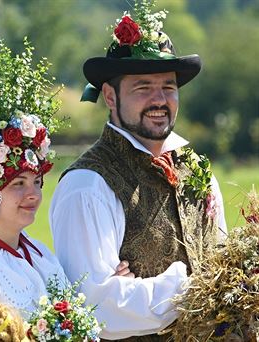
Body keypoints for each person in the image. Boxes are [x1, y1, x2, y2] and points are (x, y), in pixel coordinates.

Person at [49, 1, 227, 341]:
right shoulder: (88, 184)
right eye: (143, 87)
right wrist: (192, 288)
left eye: (168, 87)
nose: (159, 99)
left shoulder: (196, 170)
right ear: (110, 97)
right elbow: (98, 310)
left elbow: (224, 262)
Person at [0, 39, 134, 321]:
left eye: (36, 182)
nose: (32, 194)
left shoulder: (40, 256)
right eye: (18, 184)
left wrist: (108, 289)